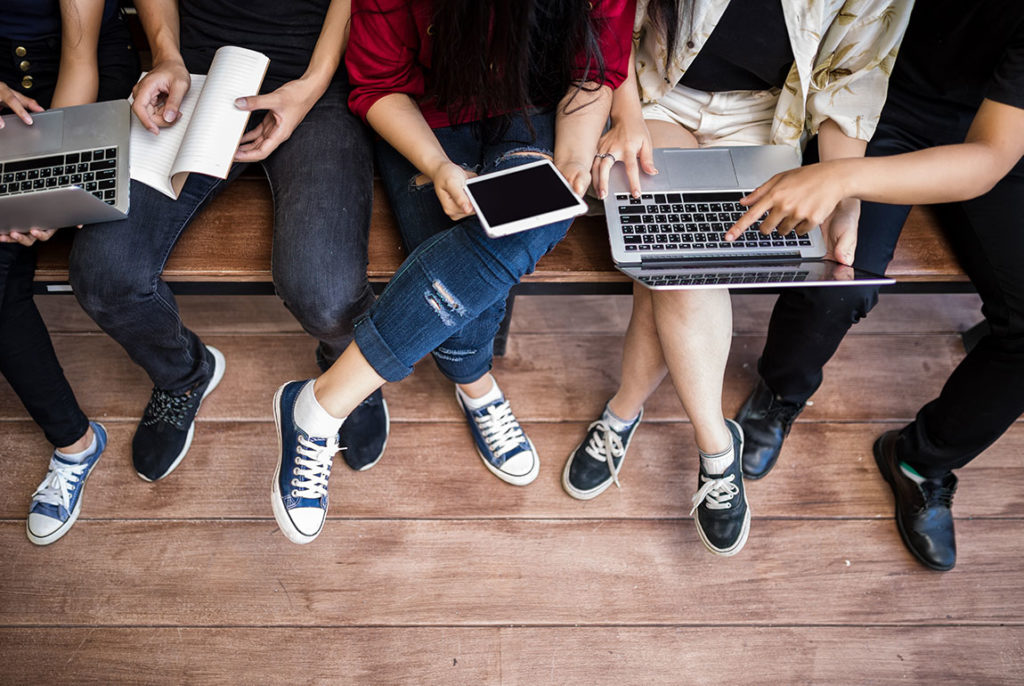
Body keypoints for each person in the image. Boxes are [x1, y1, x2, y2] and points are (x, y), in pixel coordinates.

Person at [270, 0, 635, 544]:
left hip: (539, 106)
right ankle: (476, 385)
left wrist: (575, 158)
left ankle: (321, 406)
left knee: (528, 222)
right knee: (459, 298)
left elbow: (593, 68)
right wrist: (439, 165)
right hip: (425, 115)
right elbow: (377, 84)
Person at [560, 0, 911, 557]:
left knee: (671, 265)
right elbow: (611, 18)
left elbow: (852, 75)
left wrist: (843, 193)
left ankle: (623, 410)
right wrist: (624, 116)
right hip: (655, 96)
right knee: (677, 255)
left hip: (767, 119)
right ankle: (717, 447)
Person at [729, 0, 1024, 571]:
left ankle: (921, 461)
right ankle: (781, 393)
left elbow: (989, 157)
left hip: (993, 130)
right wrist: (842, 176)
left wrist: (842, 179)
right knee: (838, 276)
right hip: (872, 91)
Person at [68, 0, 388, 483]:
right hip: (201, 72)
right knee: (104, 275)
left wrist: (311, 85)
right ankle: (183, 374)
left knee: (326, 293)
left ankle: (349, 374)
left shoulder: (315, 81)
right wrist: (167, 56)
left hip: (314, 80)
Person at [1, 0, 138, 544]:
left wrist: (39, 189)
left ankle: (74, 443)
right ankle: (76, 443)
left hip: (81, 82)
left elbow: (82, 58)